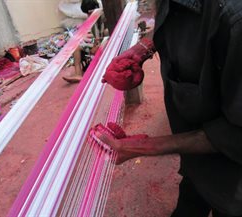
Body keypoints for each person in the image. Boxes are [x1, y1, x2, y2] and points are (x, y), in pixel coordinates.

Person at [95, 0, 242, 217]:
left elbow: (236, 134)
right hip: (196, 159)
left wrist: (144, 147)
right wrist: (142, 48)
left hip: (233, 180)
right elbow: (175, 23)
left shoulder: (235, 18)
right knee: (192, 194)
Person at [63, 0, 103, 83]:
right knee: (76, 47)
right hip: (97, 43)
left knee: (98, 45)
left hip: (106, 44)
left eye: (89, 13)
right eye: (87, 14)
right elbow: (95, 38)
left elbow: (106, 36)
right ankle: (78, 74)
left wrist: (97, 46)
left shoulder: (103, 18)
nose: (88, 15)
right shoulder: (92, 20)